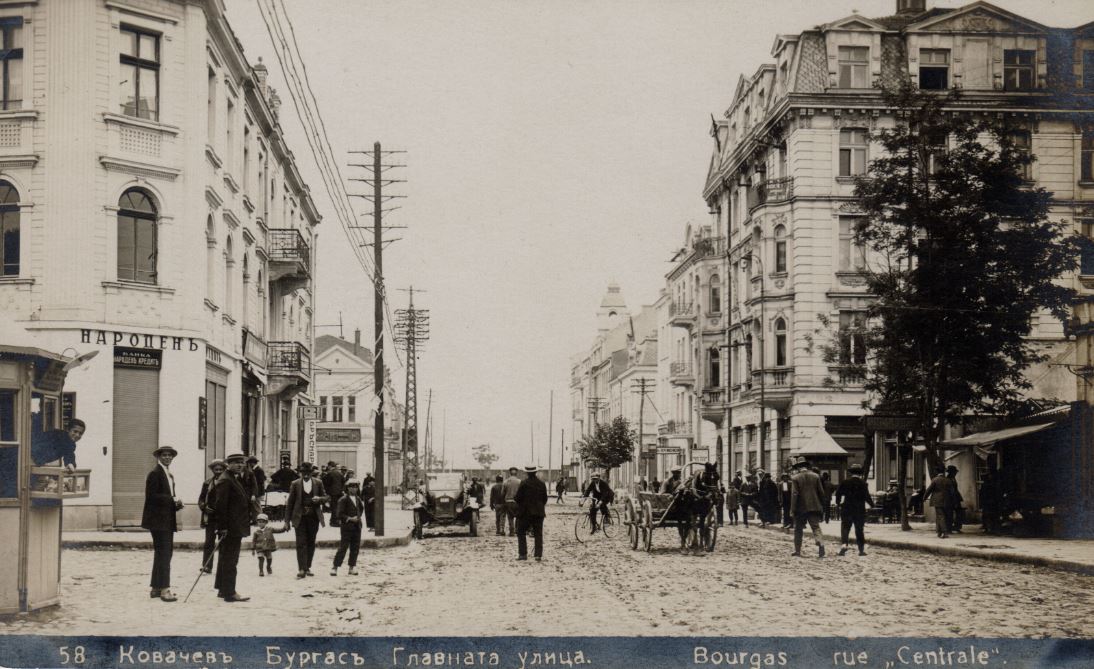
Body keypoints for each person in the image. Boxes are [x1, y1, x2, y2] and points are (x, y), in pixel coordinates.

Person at [140, 445, 182, 602]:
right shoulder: (155, 474)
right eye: (164, 455)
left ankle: (156, 588)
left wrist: (176, 503)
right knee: (165, 554)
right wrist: (171, 500)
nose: (167, 458)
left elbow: (167, 495)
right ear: (159, 457)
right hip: (158, 521)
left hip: (165, 519)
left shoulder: (168, 474)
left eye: (170, 455)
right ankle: (165, 590)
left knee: (162, 554)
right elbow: (151, 497)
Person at [213, 452, 252, 601]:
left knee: (225, 558)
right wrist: (223, 527)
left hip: (234, 526)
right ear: (228, 464)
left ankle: (223, 589)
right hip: (230, 527)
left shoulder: (233, 478)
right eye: (236, 462)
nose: (240, 465)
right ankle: (230, 592)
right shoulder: (226, 480)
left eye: (241, 462)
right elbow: (221, 506)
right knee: (230, 560)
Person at [284, 462, 329, 578]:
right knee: (301, 543)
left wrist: (319, 499)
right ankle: (301, 569)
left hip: (314, 517)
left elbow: (326, 498)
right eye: (303, 473)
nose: (306, 475)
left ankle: (307, 567)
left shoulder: (318, 483)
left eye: (308, 473)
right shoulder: (295, 484)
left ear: (311, 473)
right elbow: (290, 503)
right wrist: (286, 521)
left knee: (311, 542)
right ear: (300, 473)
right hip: (299, 517)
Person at [834, 463, 874, 556]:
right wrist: (872, 504)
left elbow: (838, 494)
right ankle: (861, 550)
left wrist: (838, 502)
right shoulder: (863, 483)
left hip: (847, 508)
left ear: (851, 473)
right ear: (859, 473)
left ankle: (844, 544)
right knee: (859, 529)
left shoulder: (845, 482)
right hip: (859, 510)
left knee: (845, 527)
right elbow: (867, 496)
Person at [790, 457, 826, 558]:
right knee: (816, 527)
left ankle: (797, 550)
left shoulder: (795, 478)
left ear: (798, 467)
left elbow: (794, 494)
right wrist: (822, 507)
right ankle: (821, 544)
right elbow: (821, 493)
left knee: (798, 529)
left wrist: (792, 510)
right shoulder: (816, 476)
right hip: (814, 507)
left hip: (801, 509)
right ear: (806, 466)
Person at [331, 479, 365, 576]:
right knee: (343, 547)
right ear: (348, 488)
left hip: (357, 526)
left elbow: (361, 509)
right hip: (346, 527)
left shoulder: (358, 499)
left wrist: (358, 517)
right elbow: (339, 514)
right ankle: (335, 567)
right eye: (351, 487)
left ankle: (352, 566)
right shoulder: (343, 499)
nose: (354, 489)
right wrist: (349, 518)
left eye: (355, 487)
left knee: (355, 547)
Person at [198, 459, 226, 574]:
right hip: (210, 518)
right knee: (209, 542)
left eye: (220, 469)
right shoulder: (207, 483)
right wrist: (204, 507)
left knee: (223, 543)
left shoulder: (227, 483)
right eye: (216, 469)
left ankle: (223, 567)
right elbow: (200, 499)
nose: (218, 471)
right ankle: (207, 566)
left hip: (223, 518)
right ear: (212, 470)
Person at [514, 465, 548, 561]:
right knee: (538, 533)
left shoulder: (524, 483)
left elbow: (518, 498)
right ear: (535, 472)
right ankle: (538, 555)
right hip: (538, 513)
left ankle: (523, 554)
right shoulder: (542, 484)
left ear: (527, 473)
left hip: (525, 513)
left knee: (521, 532)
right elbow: (545, 499)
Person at [924, 467, 956, 538]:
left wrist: (924, 498)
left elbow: (929, 490)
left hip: (937, 500)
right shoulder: (948, 480)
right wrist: (953, 500)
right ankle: (939, 532)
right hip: (947, 500)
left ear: (937, 472)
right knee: (943, 515)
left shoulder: (935, 480)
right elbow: (952, 492)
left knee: (940, 516)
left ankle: (945, 532)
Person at [321, 461, 345, 527]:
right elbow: (343, 482)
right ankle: (334, 521)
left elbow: (326, 483)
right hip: (340, 493)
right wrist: (341, 490)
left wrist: (327, 492)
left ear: (330, 466)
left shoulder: (329, 473)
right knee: (338, 506)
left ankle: (334, 522)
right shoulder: (340, 473)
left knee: (334, 507)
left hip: (332, 493)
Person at [980, 469, 1002, 534]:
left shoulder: (991, 484)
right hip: (989, 501)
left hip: (990, 501)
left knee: (990, 515)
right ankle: (990, 528)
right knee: (989, 515)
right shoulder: (989, 484)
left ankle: (991, 528)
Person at [502, 466, 522, 537]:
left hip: (508, 501)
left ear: (510, 473)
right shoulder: (520, 481)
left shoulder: (505, 482)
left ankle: (512, 532)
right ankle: (517, 530)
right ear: (516, 473)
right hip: (517, 502)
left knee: (510, 517)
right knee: (518, 517)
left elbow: (502, 493)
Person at [947, 465, 964, 533]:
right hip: (951, 498)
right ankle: (950, 527)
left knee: (959, 513)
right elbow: (952, 490)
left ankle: (957, 527)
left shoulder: (953, 478)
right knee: (950, 513)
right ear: (951, 472)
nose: (955, 473)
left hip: (956, 497)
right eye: (954, 472)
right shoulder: (948, 479)